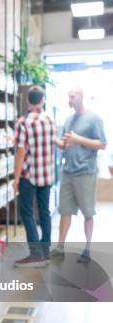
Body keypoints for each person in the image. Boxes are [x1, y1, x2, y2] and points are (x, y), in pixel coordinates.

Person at [52, 87, 107, 263]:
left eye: (73, 96)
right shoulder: (68, 120)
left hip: (85, 173)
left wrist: (79, 140)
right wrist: (52, 137)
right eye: (68, 96)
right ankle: (60, 247)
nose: (70, 99)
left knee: (87, 212)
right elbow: (64, 144)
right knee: (65, 211)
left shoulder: (93, 119)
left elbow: (102, 144)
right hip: (67, 172)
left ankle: (87, 249)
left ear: (81, 97)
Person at [12, 86, 60, 268]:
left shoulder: (23, 122)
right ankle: (45, 250)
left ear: (28, 101)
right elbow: (53, 143)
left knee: (26, 212)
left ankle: (35, 253)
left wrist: (16, 179)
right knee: (45, 211)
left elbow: (21, 152)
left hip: (29, 175)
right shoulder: (50, 120)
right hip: (46, 174)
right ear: (42, 100)